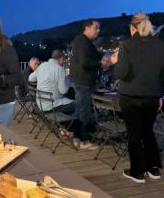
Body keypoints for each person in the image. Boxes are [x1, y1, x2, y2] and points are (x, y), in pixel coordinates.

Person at [112, 13, 164, 183]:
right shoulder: (160, 45)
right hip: (152, 96)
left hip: (130, 96)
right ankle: (154, 168)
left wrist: (115, 62)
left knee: (134, 134)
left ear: (132, 28)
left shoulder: (126, 45)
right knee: (148, 131)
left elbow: (121, 73)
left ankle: (137, 172)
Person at [70, 19, 101, 149]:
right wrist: (100, 64)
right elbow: (85, 63)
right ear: (87, 28)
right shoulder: (83, 42)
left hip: (79, 81)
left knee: (79, 110)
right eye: (96, 28)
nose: (98, 31)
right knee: (84, 112)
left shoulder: (79, 40)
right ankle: (84, 141)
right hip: (84, 82)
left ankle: (76, 136)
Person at [28, 49, 75, 114]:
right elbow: (63, 91)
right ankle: (71, 123)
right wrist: (68, 81)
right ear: (61, 58)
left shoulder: (42, 65)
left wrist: (41, 78)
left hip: (40, 104)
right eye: (63, 59)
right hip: (52, 106)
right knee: (78, 103)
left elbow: (30, 78)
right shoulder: (59, 69)